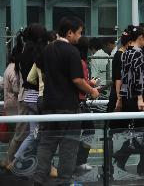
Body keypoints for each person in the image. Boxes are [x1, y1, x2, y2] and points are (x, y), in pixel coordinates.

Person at [33, 17, 99, 186]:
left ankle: (38, 179)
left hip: (48, 104)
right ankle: (64, 181)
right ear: (70, 32)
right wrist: (92, 90)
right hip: (68, 106)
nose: (79, 36)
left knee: (46, 144)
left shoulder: (48, 49)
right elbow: (77, 80)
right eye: (79, 32)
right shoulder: (72, 51)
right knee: (68, 147)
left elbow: (42, 70)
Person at [115, 25, 144, 177]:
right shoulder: (138, 53)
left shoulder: (125, 53)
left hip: (128, 97)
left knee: (135, 131)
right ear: (141, 38)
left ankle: (122, 158)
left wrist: (120, 99)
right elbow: (137, 77)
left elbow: (126, 77)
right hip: (138, 98)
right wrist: (141, 98)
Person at [10, 25, 48, 170]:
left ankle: (23, 162)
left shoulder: (24, 52)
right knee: (36, 134)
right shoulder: (37, 53)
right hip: (38, 97)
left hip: (27, 96)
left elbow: (27, 79)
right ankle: (16, 161)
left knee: (33, 133)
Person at [75, 37, 97, 172]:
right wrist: (91, 86)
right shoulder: (81, 62)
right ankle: (80, 160)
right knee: (89, 130)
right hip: (80, 100)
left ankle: (76, 161)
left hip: (75, 100)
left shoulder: (74, 60)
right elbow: (80, 81)